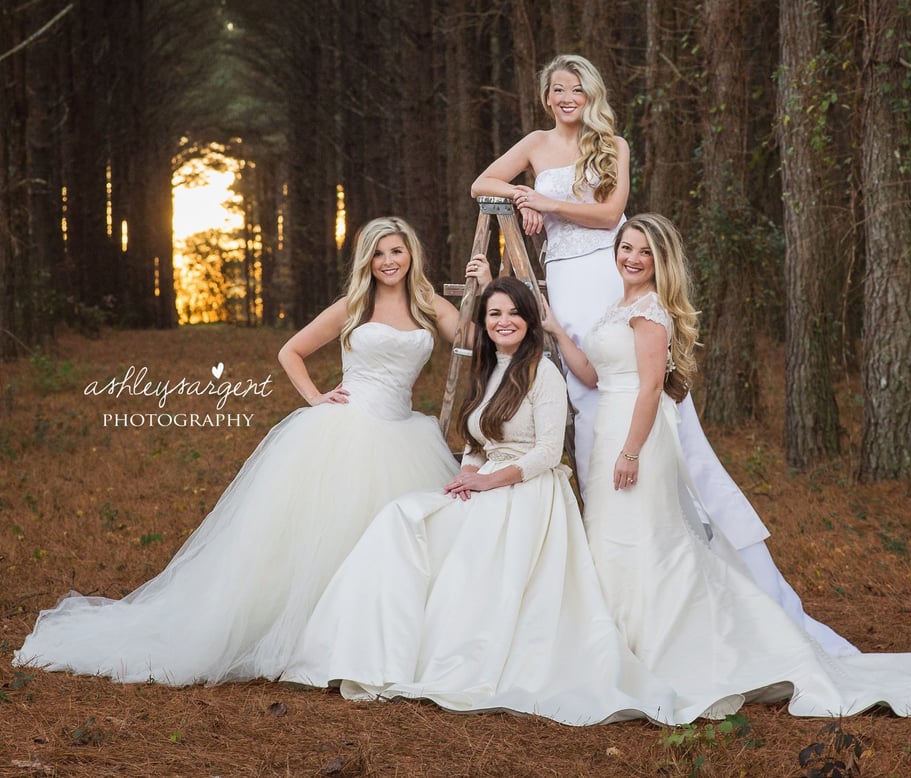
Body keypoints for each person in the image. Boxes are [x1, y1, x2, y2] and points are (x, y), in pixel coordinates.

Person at [471, 52, 857, 656]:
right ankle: (611, 569)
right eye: (556, 90)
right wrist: (521, 194)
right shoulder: (536, 143)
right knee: (588, 402)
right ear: (546, 97)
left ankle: (687, 554)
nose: (566, 98)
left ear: (590, 93)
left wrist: (544, 204)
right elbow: (481, 183)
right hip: (565, 290)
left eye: (575, 88)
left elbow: (606, 215)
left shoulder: (612, 145)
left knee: (648, 404)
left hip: (603, 274)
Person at [542, 212, 911, 719]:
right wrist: (555, 329)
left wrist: (630, 452)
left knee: (647, 539)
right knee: (612, 539)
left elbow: (651, 388)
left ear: (661, 261)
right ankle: (621, 646)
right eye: (627, 248)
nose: (632, 258)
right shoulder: (620, 306)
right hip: (611, 430)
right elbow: (589, 373)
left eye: (644, 252)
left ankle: (670, 652)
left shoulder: (650, 311)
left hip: (638, 439)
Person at [14, 216, 487, 686]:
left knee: (397, 541)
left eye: (396, 252)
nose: (388, 261)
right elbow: (291, 351)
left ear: (411, 256)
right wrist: (317, 398)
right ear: (367, 259)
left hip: (402, 434)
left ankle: (376, 638)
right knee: (324, 539)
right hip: (347, 430)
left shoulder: (429, 304)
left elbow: (471, 338)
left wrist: (483, 290)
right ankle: (310, 636)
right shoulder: (354, 305)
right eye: (379, 253)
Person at [279, 277, 689, 725]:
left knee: (459, 546)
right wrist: (469, 473)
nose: (504, 321)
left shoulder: (542, 371)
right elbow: (477, 440)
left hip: (529, 490)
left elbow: (548, 454)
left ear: (529, 320)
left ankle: (452, 654)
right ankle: (373, 653)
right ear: (484, 324)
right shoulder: (487, 369)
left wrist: (490, 483)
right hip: (487, 479)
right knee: (400, 517)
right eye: (494, 314)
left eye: (514, 312)